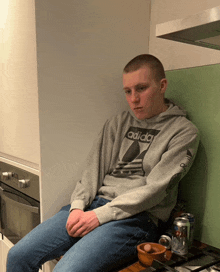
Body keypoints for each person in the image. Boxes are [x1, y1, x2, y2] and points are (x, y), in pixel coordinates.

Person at [6, 54, 200, 272]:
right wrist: (78, 207)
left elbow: (154, 191)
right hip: (91, 207)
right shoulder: (118, 123)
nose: (133, 99)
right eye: (128, 91)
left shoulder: (183, 132)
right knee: (18, 256)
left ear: (162, 85)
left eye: (141, 88)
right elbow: (92, 171)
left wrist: (100, 216)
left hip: (135, 219)